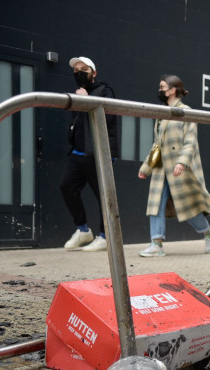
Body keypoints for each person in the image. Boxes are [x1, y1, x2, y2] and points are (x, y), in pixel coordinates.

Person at [137, 75, 210, 257]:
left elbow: (190, 141)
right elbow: (157, 144)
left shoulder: (185, 111)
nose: (160, 90)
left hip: (178, 168)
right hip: (161, 169)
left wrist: (182, 162)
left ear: (172, 90)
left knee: (188, 207)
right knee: (155, 204)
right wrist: (146, 168)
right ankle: (156, 244)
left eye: (162, 87)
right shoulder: (163, 113)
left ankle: (209, 233)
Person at [59, 56, 119, 251]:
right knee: (66, 186)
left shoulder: (104, 90)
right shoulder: (78, 93)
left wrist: (86, 101)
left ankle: (105, 236)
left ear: (94, 72)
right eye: (76, 70)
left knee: (103, 195)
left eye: (84, 68)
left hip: (98, 152)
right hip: (78, 152)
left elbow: (108, 117)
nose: (79, 72)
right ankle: (83, 230)